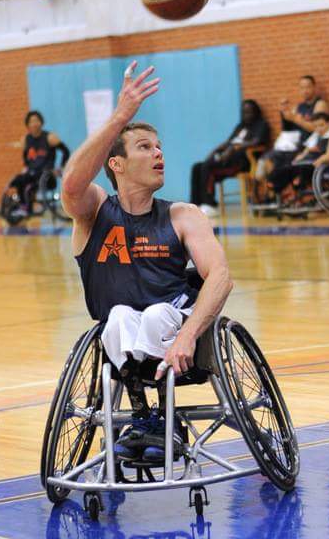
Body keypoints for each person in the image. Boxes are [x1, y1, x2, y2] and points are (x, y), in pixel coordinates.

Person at [60, 61, 233, 462]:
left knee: (155, 315)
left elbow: (220, 276)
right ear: (116, 165)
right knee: (119, 316)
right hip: (120, 340)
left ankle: (159, 417)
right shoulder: (96, 211)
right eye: (144, 147)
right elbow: (71, 184)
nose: (158, 154)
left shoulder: (183, 215)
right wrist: (121, 116)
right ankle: (144, 416)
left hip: (175, 330)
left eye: (159, 148)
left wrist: (190, 334)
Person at [189, 99, 271, 216]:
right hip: (226, 160)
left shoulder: (261, 125)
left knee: (208, 168)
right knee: (197, 167)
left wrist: (234, 148)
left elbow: (257, 141)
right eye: (244, 112)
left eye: (249, 112)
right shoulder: (240, 126)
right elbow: (229, 142)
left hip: (242, 162)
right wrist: (215, 151)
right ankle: (195, 204)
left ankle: (210, 204)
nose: (246, 115)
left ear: (256, 112)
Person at [3, 110, 70, 219]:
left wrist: (61, 167)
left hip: (46, 175)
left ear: (41, 122)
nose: (34, 123)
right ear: (27, 124)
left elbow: (65, 151)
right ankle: (23, 206)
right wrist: (25, 167)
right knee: (17, 180)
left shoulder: (50, 137)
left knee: (29, 184)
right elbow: (25, 157)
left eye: (36, 120)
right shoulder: (26, 139)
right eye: (31, 121)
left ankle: (28, 207)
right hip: (32, 173)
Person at [268, 111, 329, 197]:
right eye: (316, 126)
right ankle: (273, 185)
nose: (319, 128)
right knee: (284, 167)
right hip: (307, 163)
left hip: (320, 165)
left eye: (321, 125)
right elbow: (306, 151)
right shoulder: (316, 137)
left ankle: (281, 189)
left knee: (296, 172)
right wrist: (300, 157)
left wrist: (319, 160)